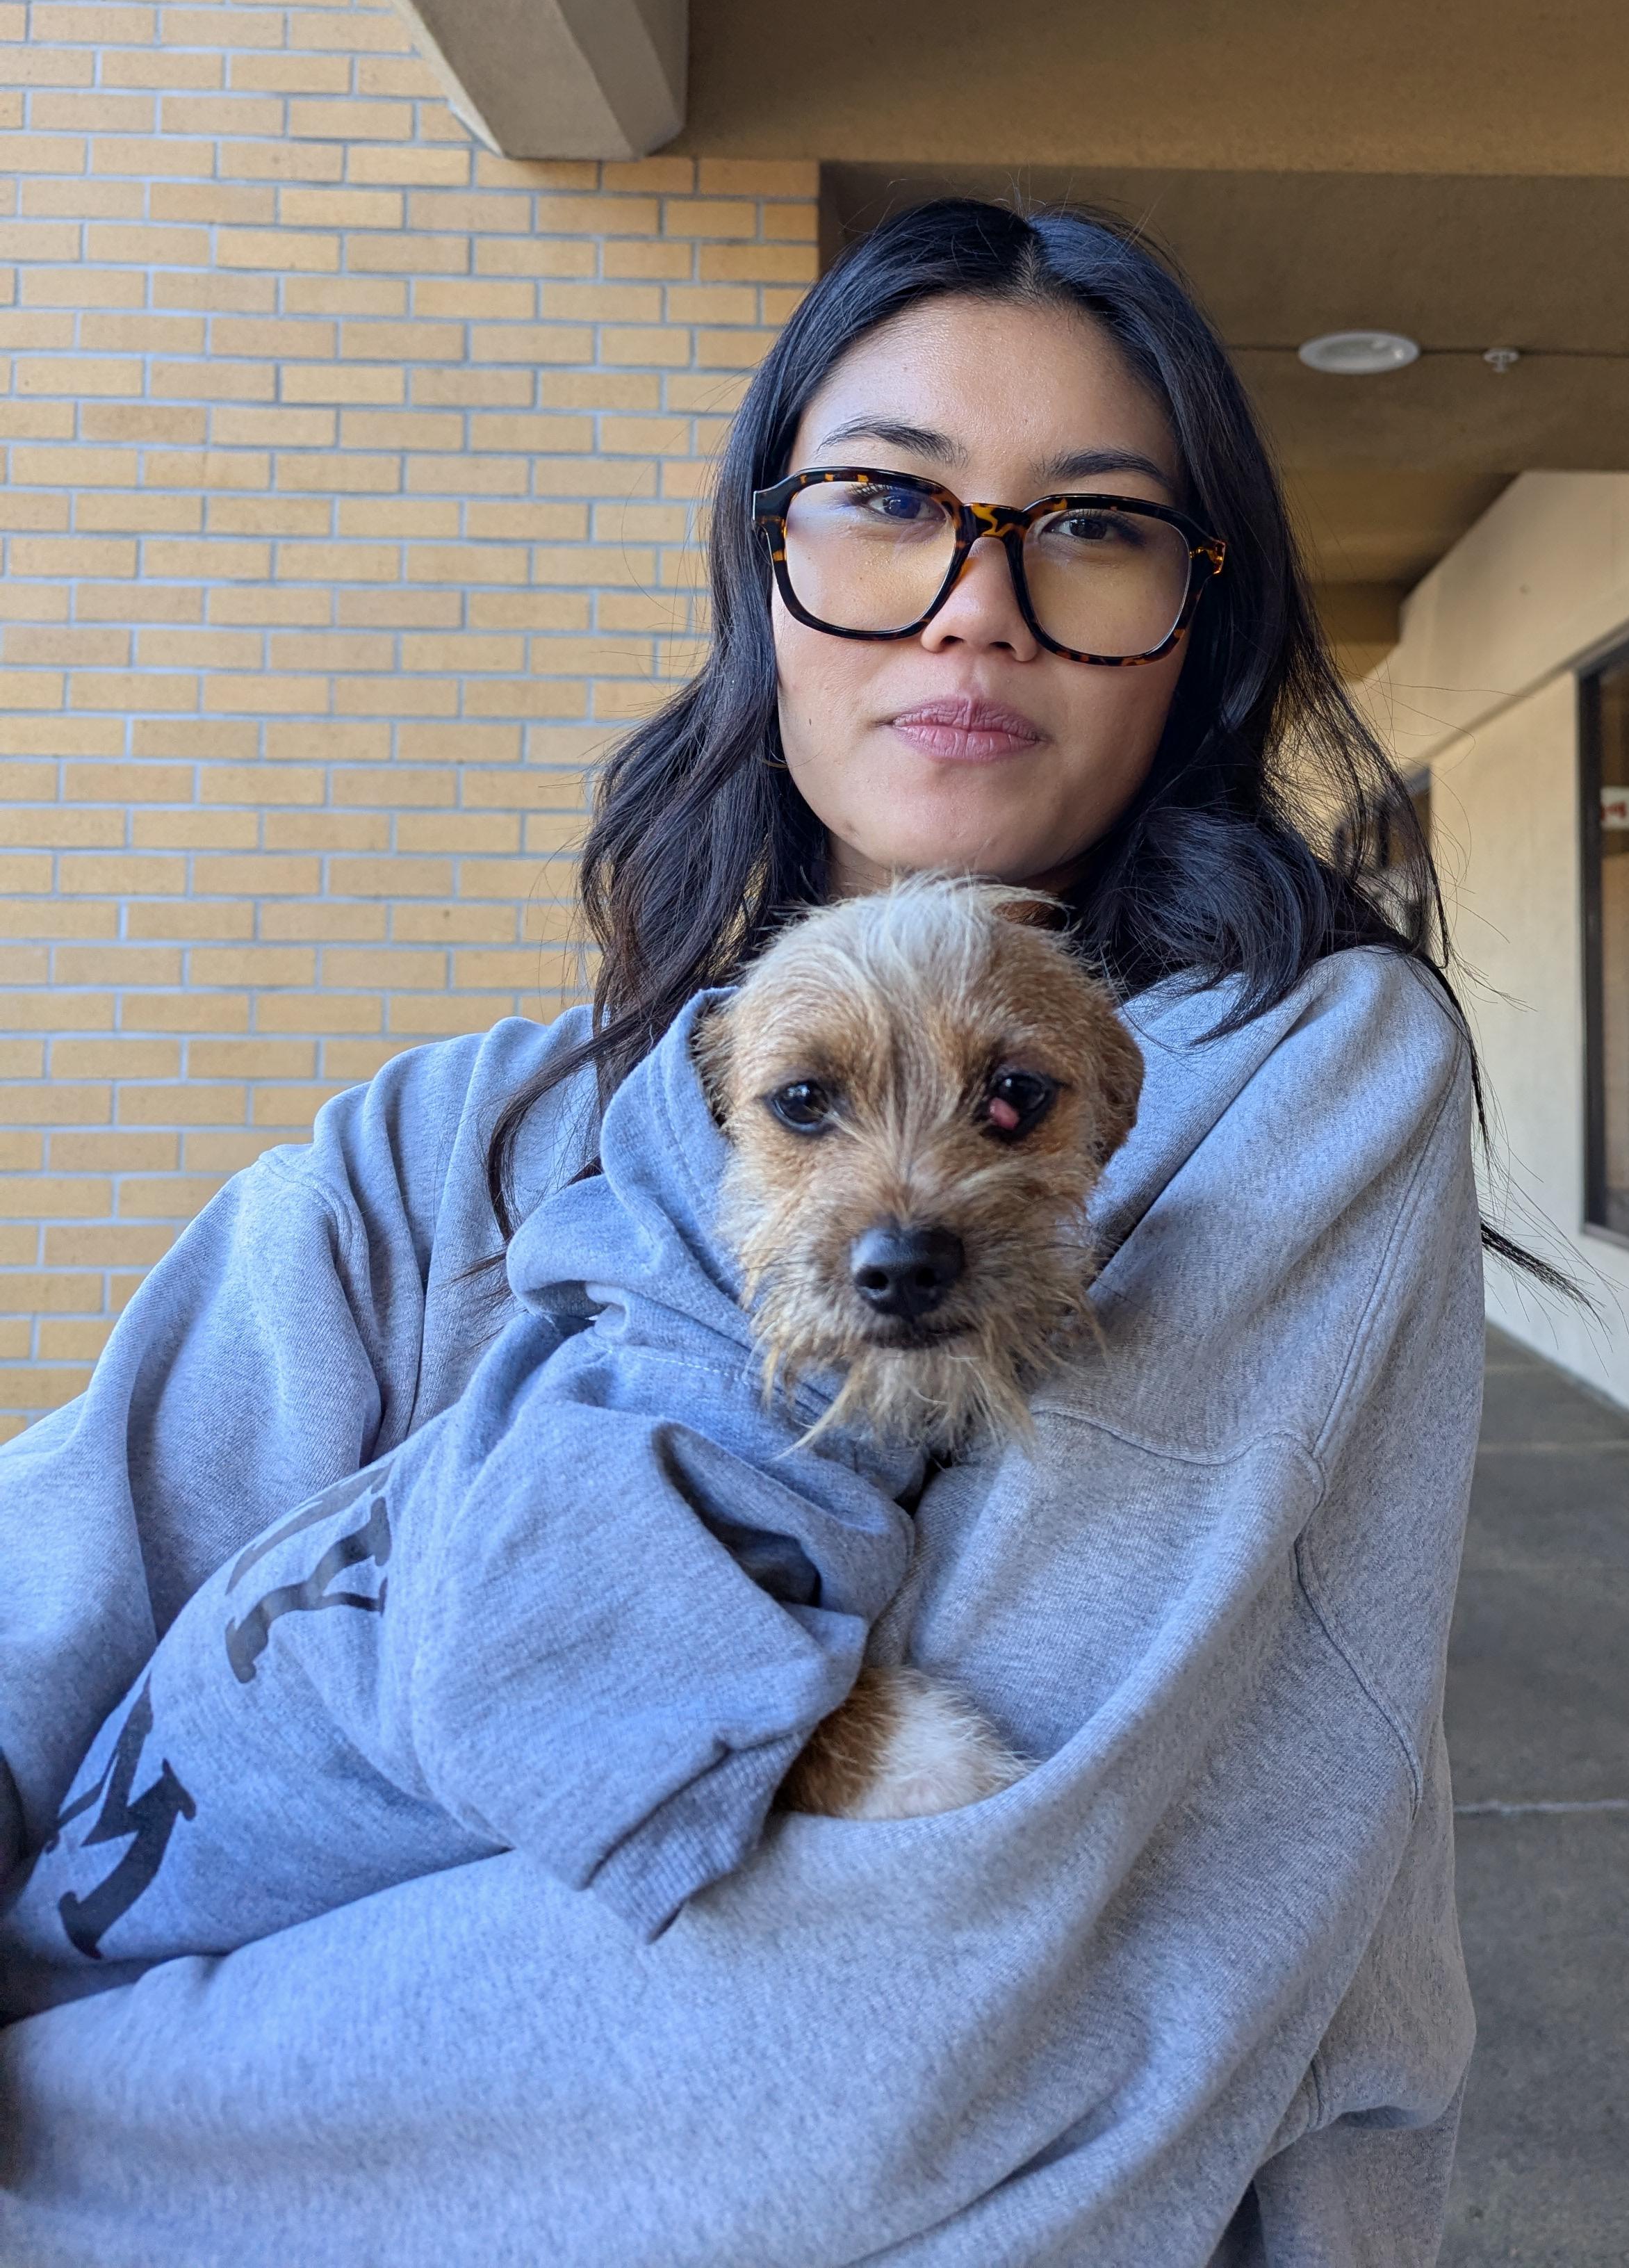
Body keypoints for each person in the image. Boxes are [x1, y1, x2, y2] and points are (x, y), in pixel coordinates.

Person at [0, 199, 1514, 2267]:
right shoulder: (445, 1145)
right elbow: (57, 1598)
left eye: (1094, 525)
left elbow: (923, 1992)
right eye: (890, 498)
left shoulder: (1296, 1078)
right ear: (762, 558)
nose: (977, 608)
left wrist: (56, 2125)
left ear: (1202, 617)